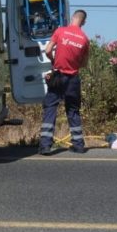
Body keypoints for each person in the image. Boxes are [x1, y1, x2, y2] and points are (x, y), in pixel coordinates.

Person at [38, 9, 90, 154]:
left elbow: (48, 50)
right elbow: (84, 64)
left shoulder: (60, 31)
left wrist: (54, 62)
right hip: (73, 79)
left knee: (50, 108)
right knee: (73, 110)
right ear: (83, 22)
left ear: (73, 17)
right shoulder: (85, 39)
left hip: (58, 76)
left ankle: (46, 146)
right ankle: (79, 145)